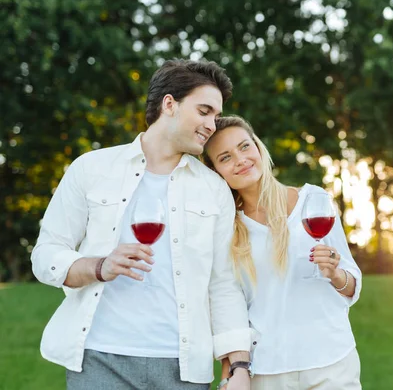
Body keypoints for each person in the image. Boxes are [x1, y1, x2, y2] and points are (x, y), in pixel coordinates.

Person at [31, 60, 253, 390]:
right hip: (99, 358)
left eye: (215, 116)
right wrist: (100, 265)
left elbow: (222, 284)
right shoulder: (91, 169)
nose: (211, 125)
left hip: (183, 367)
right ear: (169, 104)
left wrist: (238, 366)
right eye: (204, 111)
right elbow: (46, 254)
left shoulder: (214, 188)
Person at [204, 115, 362, 390]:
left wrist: (336, 274)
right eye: (225, 157)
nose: (240, 160)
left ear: (258, 147)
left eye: (244, 147)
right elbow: (229, 304)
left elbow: (351, 285)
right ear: (216, 171)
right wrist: (230, 373)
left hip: (332, 362)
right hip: (267, 369)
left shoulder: (314, 202)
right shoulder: (225, 229)